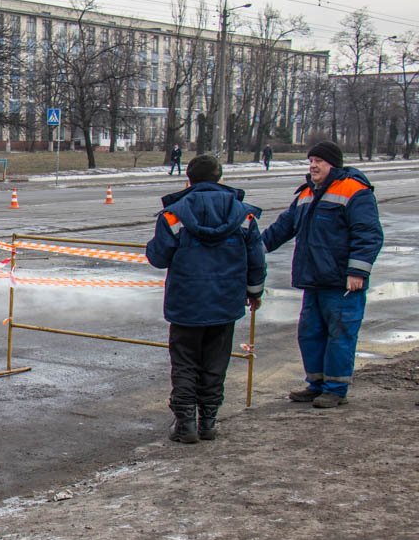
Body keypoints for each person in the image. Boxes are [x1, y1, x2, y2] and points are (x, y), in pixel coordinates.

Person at [146, 155, 266, 443]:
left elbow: (159, 258)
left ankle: (185, 423)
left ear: (188, 180)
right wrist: (254, 292)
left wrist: (154, 245)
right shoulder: (244, 216)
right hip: (226, 301)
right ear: (219, 178)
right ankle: (209, 421)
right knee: (215, 362)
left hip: (186, 302)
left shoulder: (174, 215)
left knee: (185, 362)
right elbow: (256, 259)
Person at [262, 141, 383, 409]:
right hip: (313, 279)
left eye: (319, 161)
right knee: (310, 334)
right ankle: (315, 384)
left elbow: (369, 235)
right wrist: (254, 249)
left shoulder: (355, 191)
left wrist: (357, 271)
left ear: (333, 164)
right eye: (311, 160)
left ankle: (335, 388)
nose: (313, 166)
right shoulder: (307, 193)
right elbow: (283, 227)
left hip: (342, 283)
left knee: (340, 334)